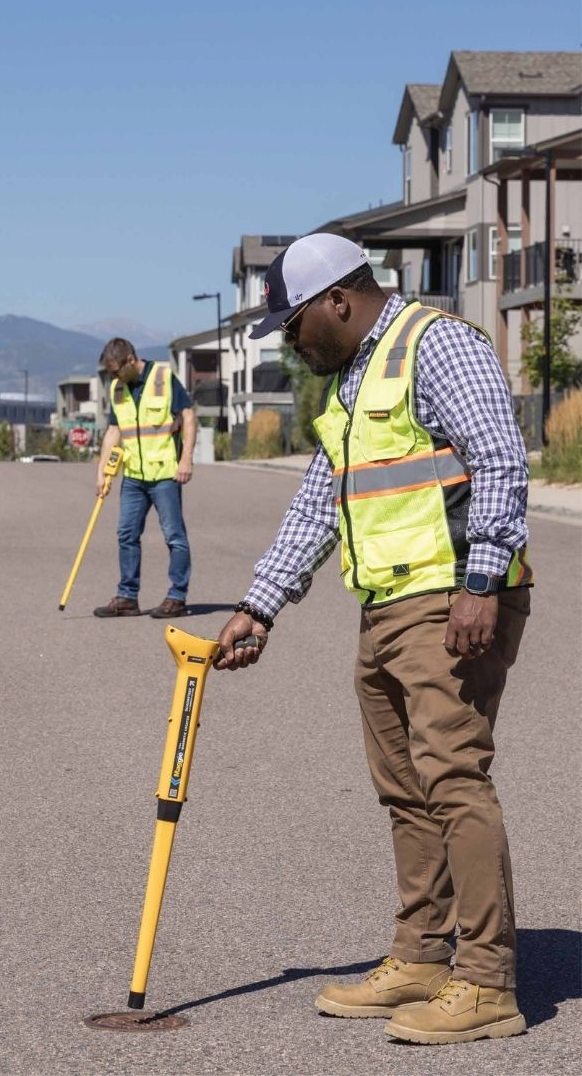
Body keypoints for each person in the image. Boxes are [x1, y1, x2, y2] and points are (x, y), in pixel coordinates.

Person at [213, 233, 533, 1046]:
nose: (291, 341)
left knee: (454, 778)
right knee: (406, 789)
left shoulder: (437, 345)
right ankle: (423, 957)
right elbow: (320, 504)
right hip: (386, 606)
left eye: (294, 324)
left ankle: (488, 981)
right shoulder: (353, 383)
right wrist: (260, 604)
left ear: (340, 301)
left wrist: (480, 582)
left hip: (452, 599)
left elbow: (500, 459)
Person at [93, 337, 197, 619]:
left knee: (174, 536)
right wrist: (102, 470)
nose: (113, 377)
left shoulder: (163, 378)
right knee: (126, 534)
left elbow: (188, 416)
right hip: (134, 477)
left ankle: (177, 597)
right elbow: (114, 430)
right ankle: (127, 597)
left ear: (130, 360)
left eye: (116, 371)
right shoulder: (118, 388)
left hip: (165, 473)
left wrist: (186, 458)